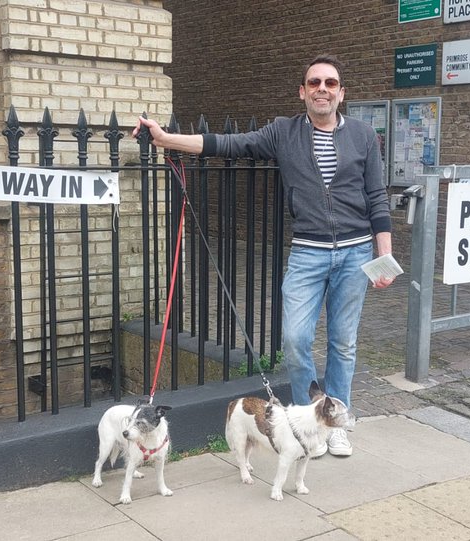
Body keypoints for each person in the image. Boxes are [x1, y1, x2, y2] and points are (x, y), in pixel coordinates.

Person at [133, 54, 394, 457]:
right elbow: (227, 144)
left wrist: (384, 255)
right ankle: (312, 416)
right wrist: (165, 139)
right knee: (294, 339)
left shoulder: (362, 135)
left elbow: (377, 197)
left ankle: (335, 425)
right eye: (314, 83)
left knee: (343, 342)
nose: (321, 89)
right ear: (302, 92)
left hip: (355, 252)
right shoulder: (283, 132)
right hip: (308, 251)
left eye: (329, 83)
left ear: (341, 93)